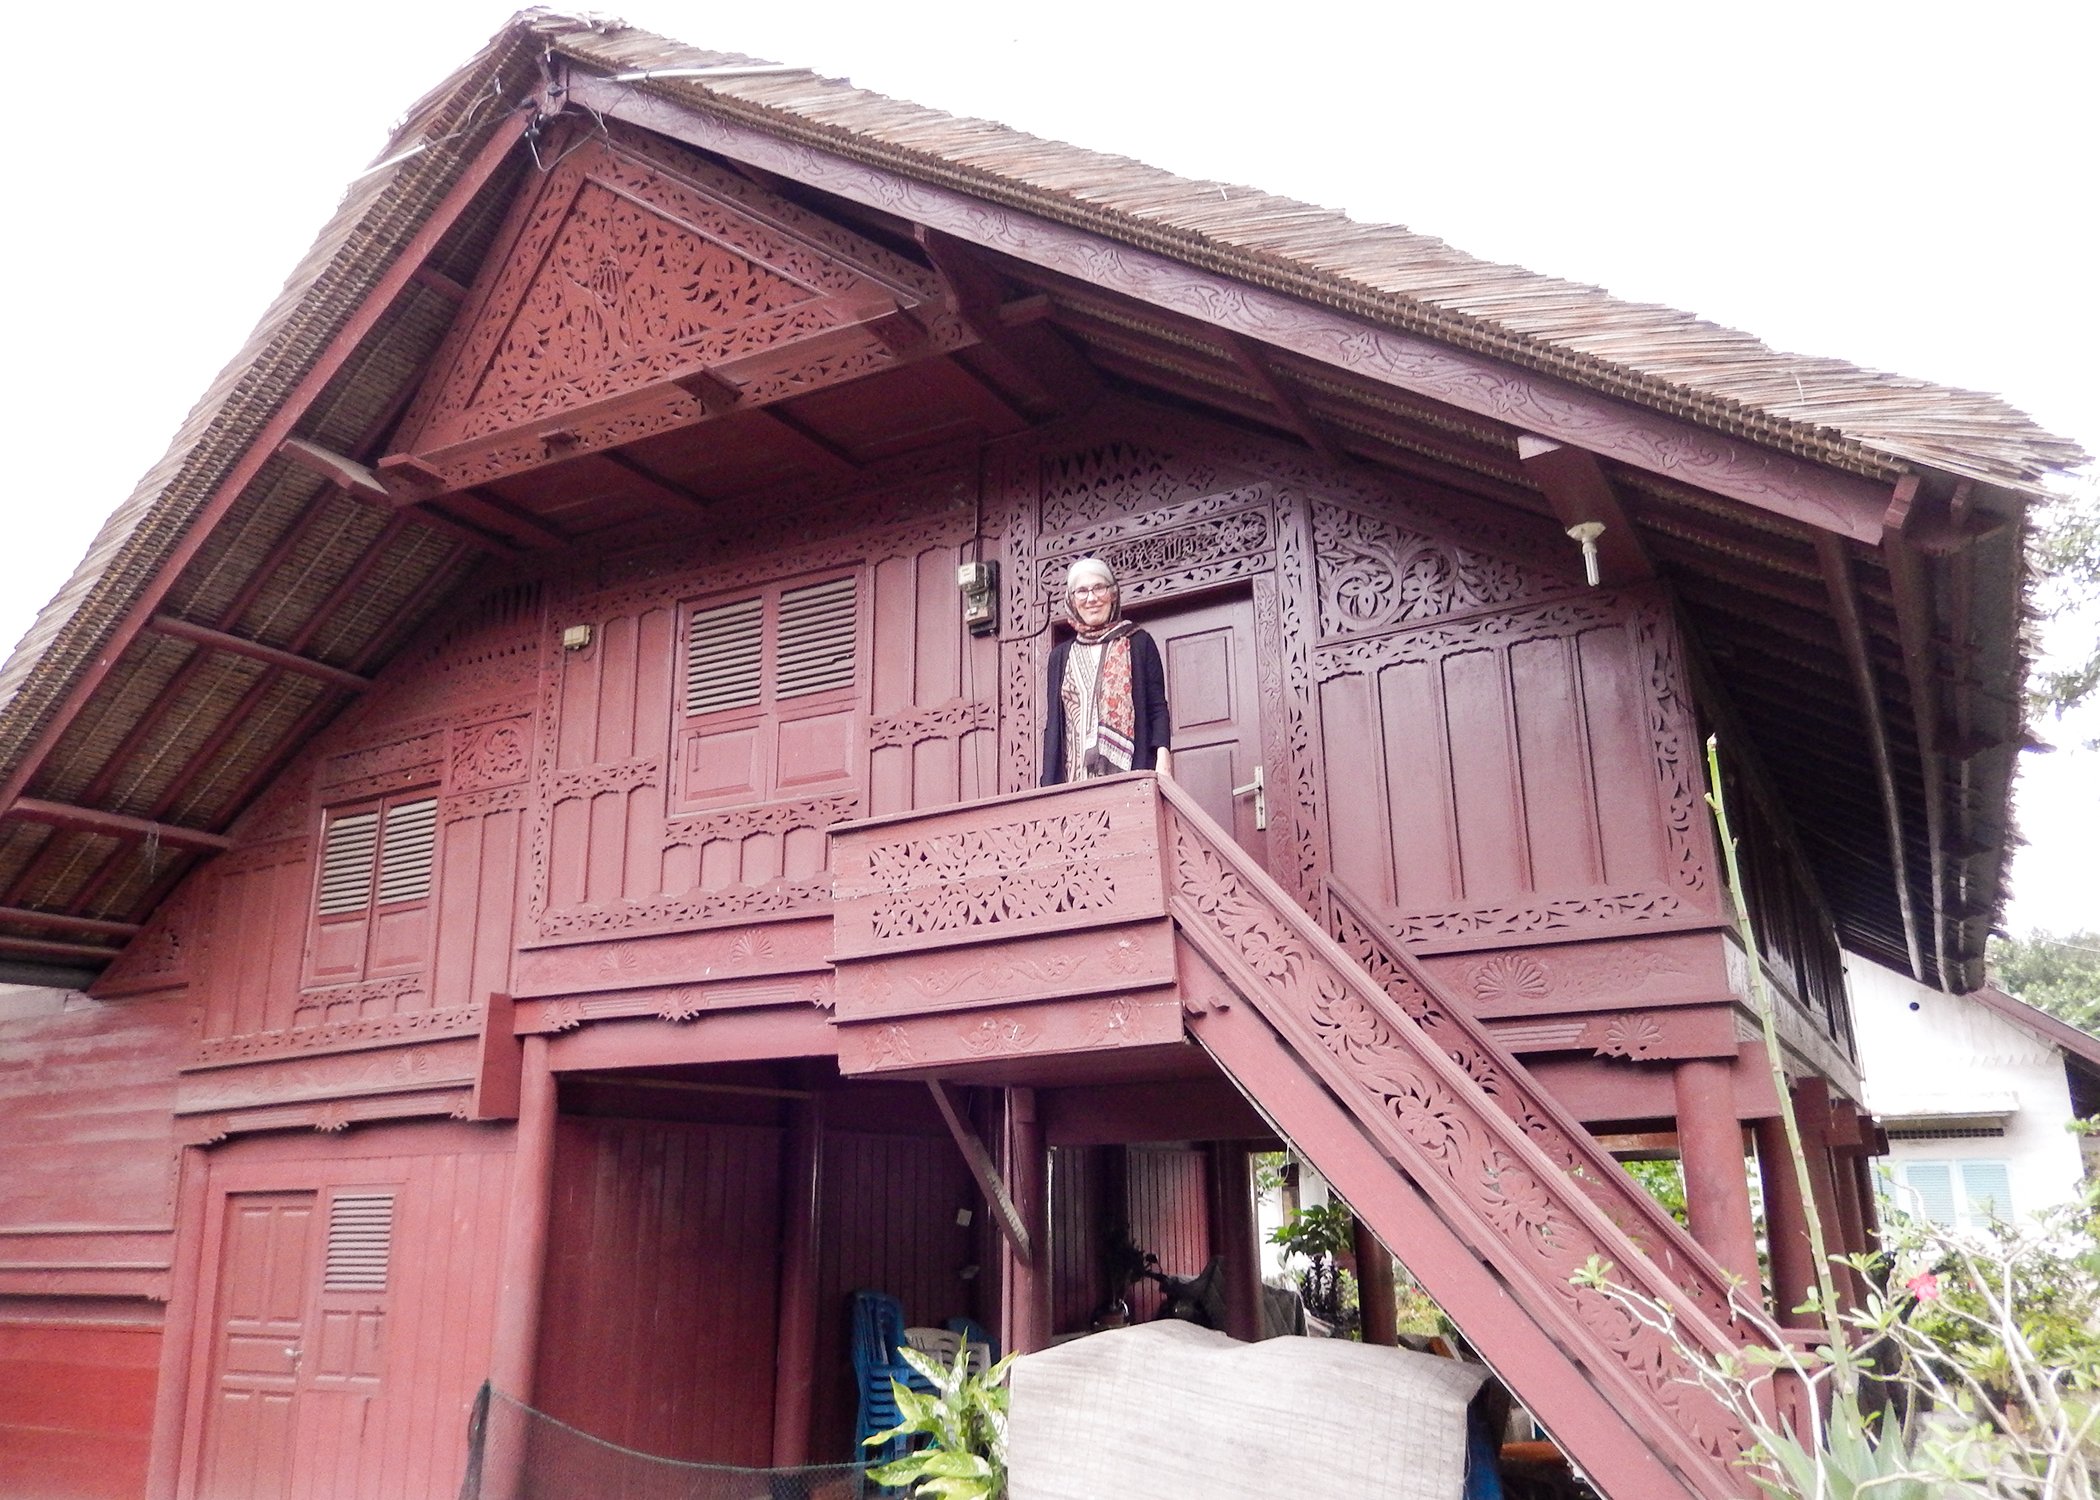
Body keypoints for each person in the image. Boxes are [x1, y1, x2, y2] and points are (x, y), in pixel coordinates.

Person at [1040, 558, 1171, 785]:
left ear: (1113, 594)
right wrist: (1048, 785)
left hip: (1131, 774)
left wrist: (1163, 763)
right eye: (1081, 591)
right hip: (1073, 781)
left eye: (1099, 588)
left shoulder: (1139, 643)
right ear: (1071, 601)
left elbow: (1157, 708)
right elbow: (1054, 726)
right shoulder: (1060, 657)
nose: (1091, 598)